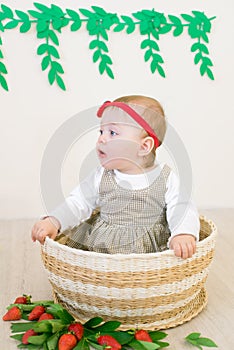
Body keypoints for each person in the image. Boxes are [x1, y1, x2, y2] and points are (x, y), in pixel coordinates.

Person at [31, 95, 200, 259]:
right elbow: (78, 201)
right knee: (86, 263)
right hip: (102, 247)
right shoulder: (101, 176)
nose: (101, 139)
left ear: (144, 146)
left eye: (112, 132)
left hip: (147, 252)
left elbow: (182, 207)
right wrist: (54, 220)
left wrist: (183, 234)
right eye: (101, 131)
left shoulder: (164, 177)